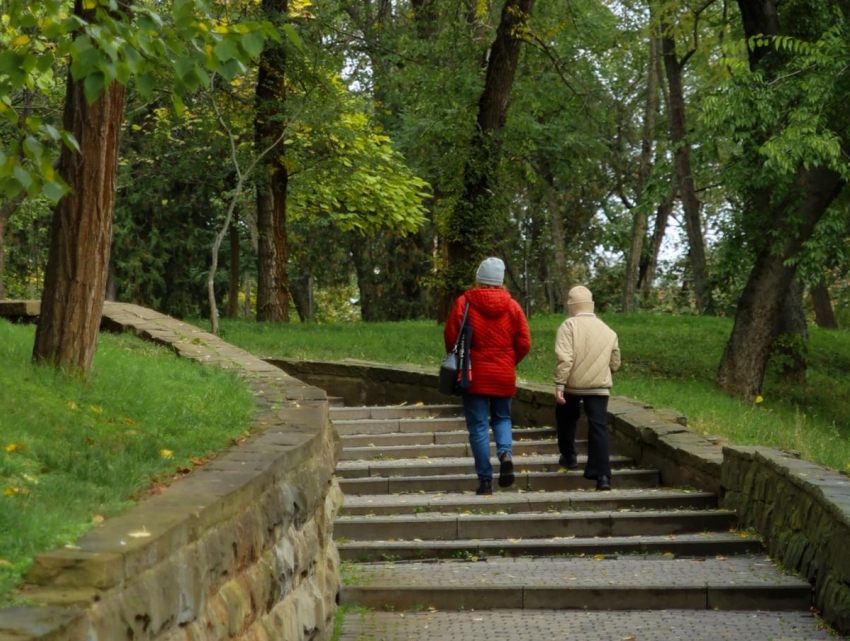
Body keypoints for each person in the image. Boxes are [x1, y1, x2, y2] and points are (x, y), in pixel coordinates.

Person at [444, 257, 531, 496]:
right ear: (500, 281)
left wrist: (460, 360)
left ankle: (485, 481)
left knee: (478, 426)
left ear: (479, 278)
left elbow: (451, 335)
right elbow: (524, 341)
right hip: (503, 375)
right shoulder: (513, 306)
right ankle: (505, 454)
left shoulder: (466, 302)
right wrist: (509, 362)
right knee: (502, 418)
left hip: (473, 375)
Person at [553, 285, 621, 491]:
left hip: (573, 385)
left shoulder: (568, 326)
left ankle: (569, 456)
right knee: (598, 427)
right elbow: (615, 362)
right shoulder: (607, 330)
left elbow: (565, 358)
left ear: (571, 306)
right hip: (599, 387)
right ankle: (602, 476)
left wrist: (559, 384)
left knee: (565, 417)